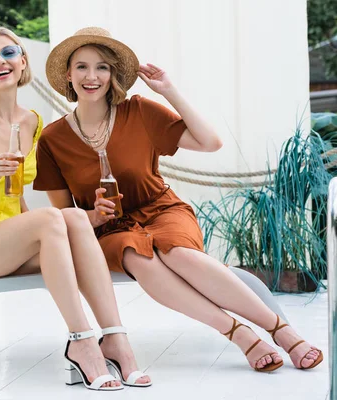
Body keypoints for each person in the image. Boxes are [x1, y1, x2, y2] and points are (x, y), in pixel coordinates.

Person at [34, 27, 323, 372]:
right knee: (139, 258)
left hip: (162, 209)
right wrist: (94, 216)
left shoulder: (138, 111)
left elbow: (210, 142)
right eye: (81, 67)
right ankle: (240, 334)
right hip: (108, 229)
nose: (91, 76)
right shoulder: (52, 139)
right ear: (68, 75)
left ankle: (282, 331)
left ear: (113, 75)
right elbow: (64, 214)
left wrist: (168, 90)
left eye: (102, 67)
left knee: (179, 253)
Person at [0, 27, 152, 390]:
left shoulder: (32, 121)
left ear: (22, 61)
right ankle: (82, 341)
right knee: (52, 218)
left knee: (75, 217)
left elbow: (15, 199)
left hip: (5, 241)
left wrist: (48, 228)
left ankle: (115, 338)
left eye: (7, 53)